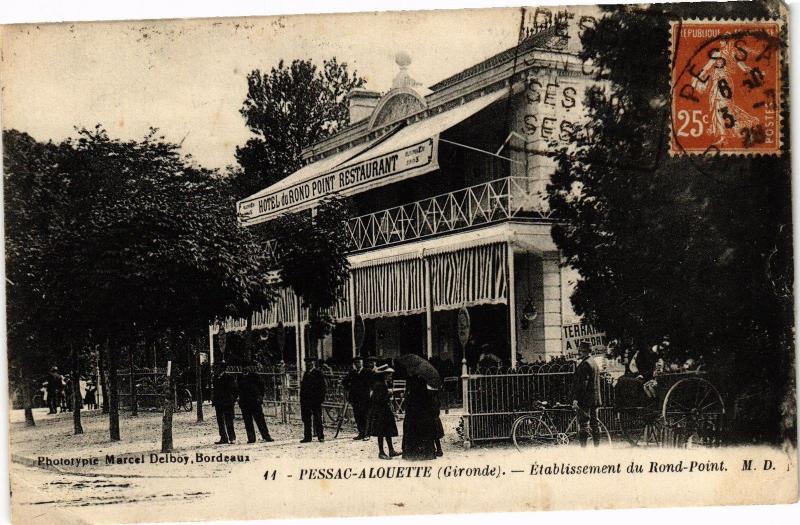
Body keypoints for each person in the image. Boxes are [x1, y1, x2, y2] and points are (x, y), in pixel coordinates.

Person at [365, 365, 400, 459]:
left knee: (387, 431)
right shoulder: (379, 385)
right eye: (389, 375)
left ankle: (391, 450)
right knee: (381, 432)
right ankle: (381, 452)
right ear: (385, 375)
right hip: (380, 411)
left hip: (384, 410)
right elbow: (378, 399)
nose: (391, 377)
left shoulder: (383, 383)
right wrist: (389, 394)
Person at [572, 341, 602, 447]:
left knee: (584, 424)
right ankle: (596, 448)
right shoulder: (594, 363)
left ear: (583, 352)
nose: (579, 353)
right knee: (595, 424)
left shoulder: (585, 364)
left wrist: (576, 399)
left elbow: (582, 385)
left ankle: (583, 449)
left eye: (580, 351)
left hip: (585, 400)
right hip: (595, 399)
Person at [238, 363, 274, 443]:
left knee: (260, 420)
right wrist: (240, 400)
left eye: (246, 367)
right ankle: (251, 438)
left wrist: (260, 397)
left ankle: (266, 436)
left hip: (255, 402)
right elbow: (239, 390)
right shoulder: (240, 377)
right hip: (245, 403)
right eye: (243, 367)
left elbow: (261, 386)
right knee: (248, 421)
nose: (245, 368)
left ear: (249, 367)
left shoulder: (255, 376)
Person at [342, 356, 372, 440]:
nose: (358, 364)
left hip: (365, 398)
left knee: (365, 416)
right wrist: (350, 387)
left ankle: (367, 434)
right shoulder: (352, 373)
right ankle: (361, 433)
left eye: (359, 362)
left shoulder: (367, 372)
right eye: (356, 362)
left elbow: (373, 383)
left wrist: (370, 391)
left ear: (362, 363)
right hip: (355, 398)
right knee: (357, 416)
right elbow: (344, 382)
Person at [299, 357, 326, 443]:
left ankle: (320, 436)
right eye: (307, 363)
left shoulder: (318, 373)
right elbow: (303, 388)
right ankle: (307, 437)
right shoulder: (306, 374)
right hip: (306, 400)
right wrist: (302, 399)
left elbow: (322, 387)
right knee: (306, 419)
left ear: (313, 363)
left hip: (315, 400)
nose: (308, 365)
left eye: (310, 363)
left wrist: (321, 399)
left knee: (317, 418)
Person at [212, 361, 238, 444]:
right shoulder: (215, 378)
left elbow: (234, 390)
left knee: (229, 420)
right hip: (218, 402)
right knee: (220, 421)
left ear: (222, 368)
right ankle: (223, 437)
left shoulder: (229, 377)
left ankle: (232, 437)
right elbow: (214, 390)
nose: (215, 369)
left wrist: (232, 400)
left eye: (218, 367)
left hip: (227, 402)